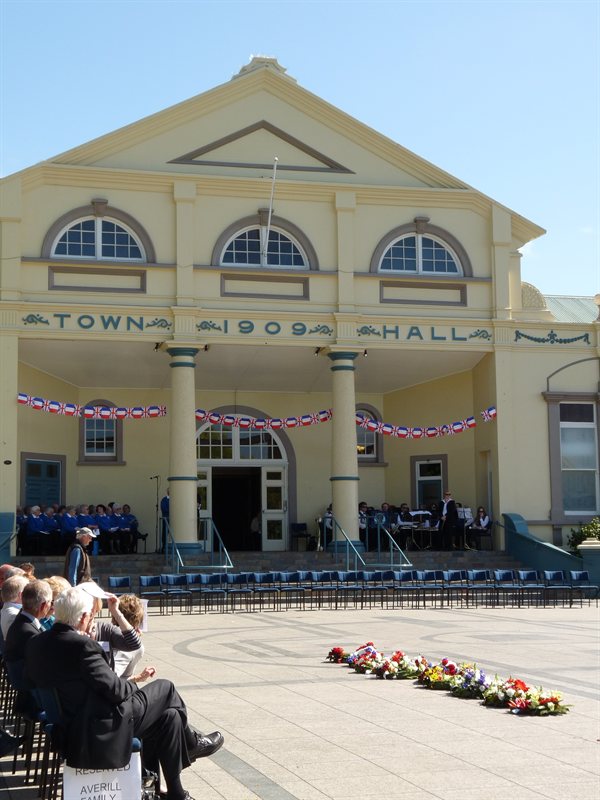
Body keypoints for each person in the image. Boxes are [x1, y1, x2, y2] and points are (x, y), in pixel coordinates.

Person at [25, 586, 224, 800]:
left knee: (170, 717)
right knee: (166, 687)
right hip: (101, 726)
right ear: (83, 617)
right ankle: (192, 744)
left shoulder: (37, 643)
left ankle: (176, 794)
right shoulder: (82, 646)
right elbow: (117, 690)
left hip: (71, 723)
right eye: (90, 615)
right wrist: (134, 685)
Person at [160, 489, 170, 553]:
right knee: (165, 533)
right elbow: (164, 509)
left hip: (175, 520)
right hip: (167, 519)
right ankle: (164, 547)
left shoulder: (177, 499)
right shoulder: (164, 500)